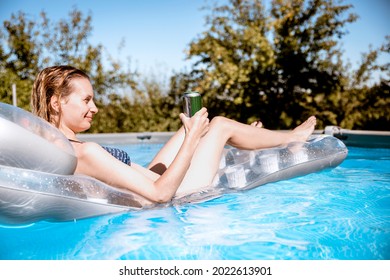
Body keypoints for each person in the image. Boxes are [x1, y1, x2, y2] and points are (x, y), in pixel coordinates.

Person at [31, 65, 317, 202]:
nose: (95, 107)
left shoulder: (63, 146)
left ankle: (248, 140)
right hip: (177, 189)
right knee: (218, 125)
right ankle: (291, 137)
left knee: (193, 123)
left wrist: (189, 134)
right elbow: (160, 194)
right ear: (57, 102)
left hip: (149, 174)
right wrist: (193, 140)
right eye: (86, 100)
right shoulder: (85, 152)